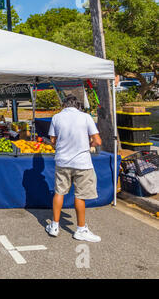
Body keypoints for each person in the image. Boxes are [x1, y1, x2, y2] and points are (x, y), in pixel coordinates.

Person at [46, 95, 102, 243]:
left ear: (65, 105)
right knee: (80, 195)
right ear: (78, 105)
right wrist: (88, 143)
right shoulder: (85, 117)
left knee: (59, 192)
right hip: (82, 163)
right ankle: (80, 229)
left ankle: (54, 226)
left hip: (62, 161)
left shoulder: (56, 117)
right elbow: (97, 140)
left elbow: (52, 140)